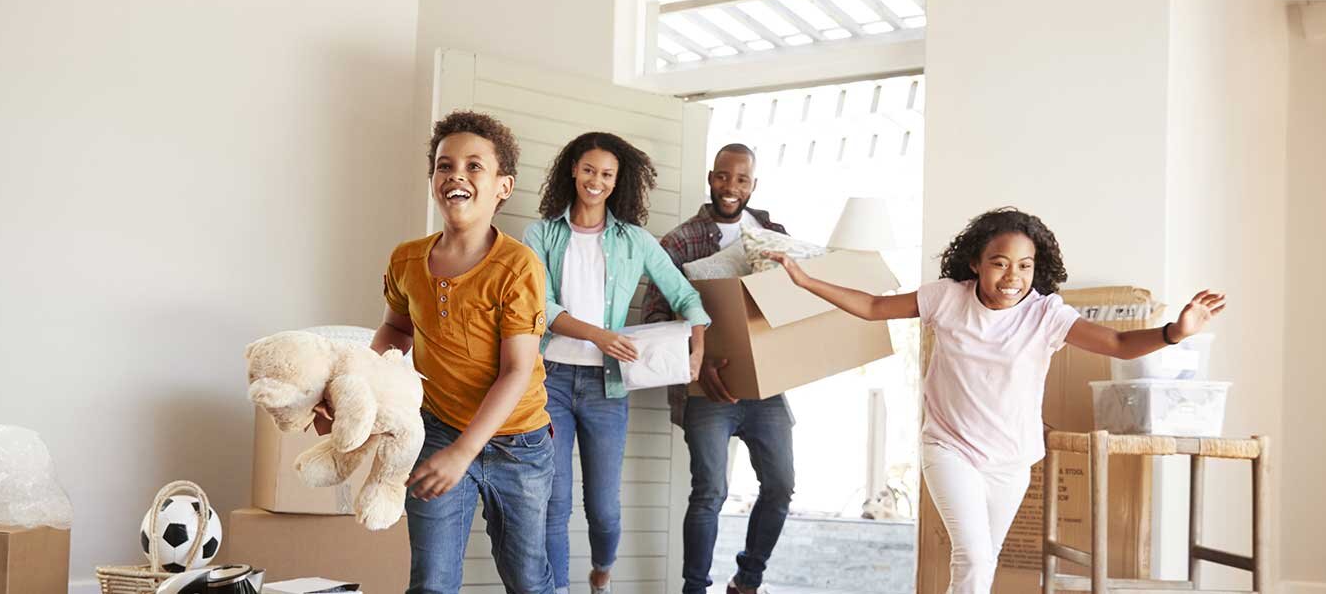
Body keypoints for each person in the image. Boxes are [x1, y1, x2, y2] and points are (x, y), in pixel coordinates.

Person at [763, 207, 1227, 594]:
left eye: (1025, 265)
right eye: (1000, 262)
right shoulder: (947, 298)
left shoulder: (1046, 314)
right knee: (974, 557)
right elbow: (871, 307)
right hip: (949, 448)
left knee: (979, 566)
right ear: (975, 263)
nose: (1012, 276)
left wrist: (1174, 333)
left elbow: (1119, 345)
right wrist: (804, 281)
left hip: (1011, 460)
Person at [318, 110, 556, 594]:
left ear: (502, 187)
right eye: (445, 166)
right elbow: (394, 331)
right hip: (437, 432)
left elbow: (517, 370)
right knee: (431, 582)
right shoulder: (406, 259)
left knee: (529, 581)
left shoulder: (519, 266)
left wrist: (465, 453)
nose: (457, 176)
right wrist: (354, 397)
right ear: (433, 180)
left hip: (519, 445)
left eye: (474, 167)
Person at [522, 132, 712, 594]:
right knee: (555, 502)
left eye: (607, 174)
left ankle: (602, 572)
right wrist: (600, 336)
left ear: (618, 181)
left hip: (608, 389)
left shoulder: (635, 241)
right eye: (589, 170)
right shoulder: (541, 234)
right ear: (572, 169)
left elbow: (686, 296)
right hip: (551, 383)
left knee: (603, 507)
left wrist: (698, 346)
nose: (596, 181)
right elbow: (539, 306)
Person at [641, 143, 794, 594]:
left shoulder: (773, 233)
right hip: (707, 389)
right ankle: (694, 588)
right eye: (724, 177)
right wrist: (699, 360)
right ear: (711, 178)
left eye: (741, 180)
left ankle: (747, 580)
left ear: (753, 185)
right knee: (710, 492)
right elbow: (653, 315)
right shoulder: (680, 240)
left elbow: (791, 302)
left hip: (766, 386)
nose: (731, 188)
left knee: (781, 486)